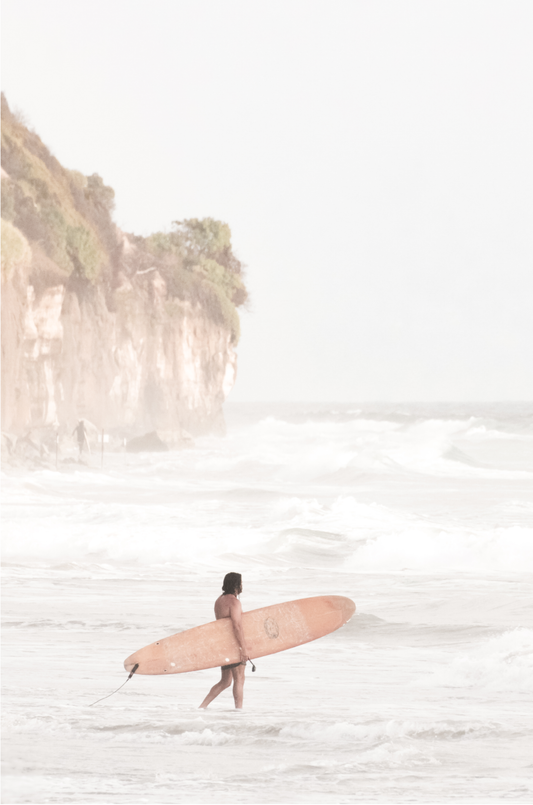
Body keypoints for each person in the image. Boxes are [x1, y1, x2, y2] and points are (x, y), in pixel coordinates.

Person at [199, 572, 250, 710]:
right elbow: (237, 626)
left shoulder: (219, 601)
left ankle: (202, 707)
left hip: (223, 644)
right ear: (236, 585)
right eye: (241, 583)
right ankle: (239, 710)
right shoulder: (234, 602)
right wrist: (243, 648)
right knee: (239, 679)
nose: (242, 585)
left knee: (225, 681)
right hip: (234, 645)